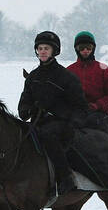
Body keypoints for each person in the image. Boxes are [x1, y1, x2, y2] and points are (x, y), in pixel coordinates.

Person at [18, 31, 90, 194]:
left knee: (48, 136)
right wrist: (30, 109)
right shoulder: (32, 77)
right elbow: (23, 105)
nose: (42, 51)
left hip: (62, 125)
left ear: (54, 51)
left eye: (46, 48)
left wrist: (66, 118)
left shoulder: (66, 77)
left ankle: (66, 178)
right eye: (40, 48)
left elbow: (81, 107)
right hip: (38, 123)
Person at [67, 30, 108, 117]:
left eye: (88, 47)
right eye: (81, 47)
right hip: (74, 115)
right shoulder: (69, 71)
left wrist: (97, 105)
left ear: (93, 48)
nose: (85, 50)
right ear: (76, 49)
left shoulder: (105, 70)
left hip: (100, 114)